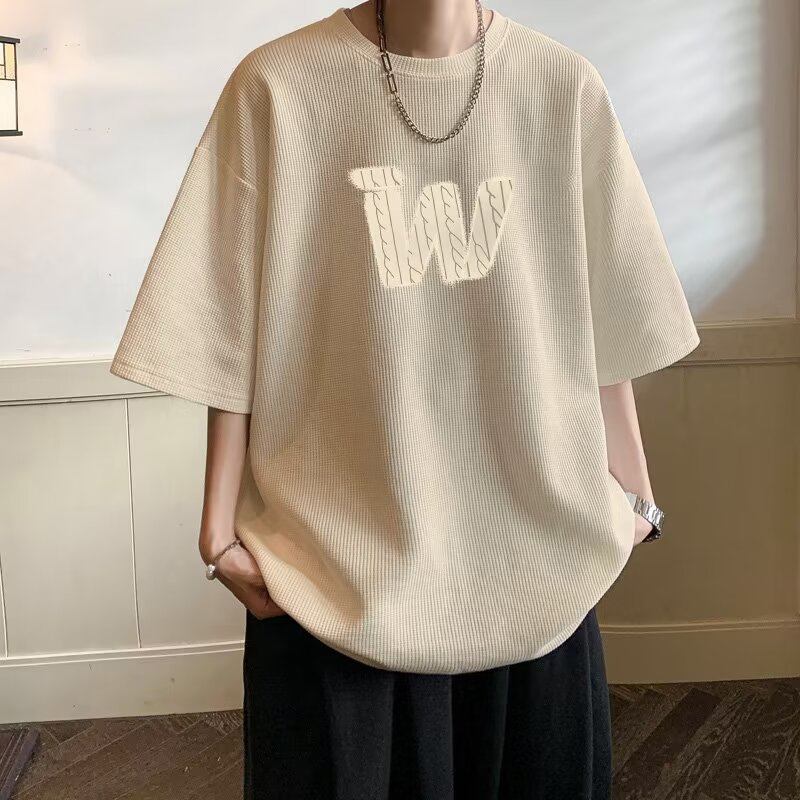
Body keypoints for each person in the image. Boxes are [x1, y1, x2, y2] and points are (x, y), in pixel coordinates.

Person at [110, 0, 700, 797]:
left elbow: (606, 311)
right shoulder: (278, 86)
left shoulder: (563, 86)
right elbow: (227, 315)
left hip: (541, 565)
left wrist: (635, 495)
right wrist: (218, 531)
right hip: (329, 575)